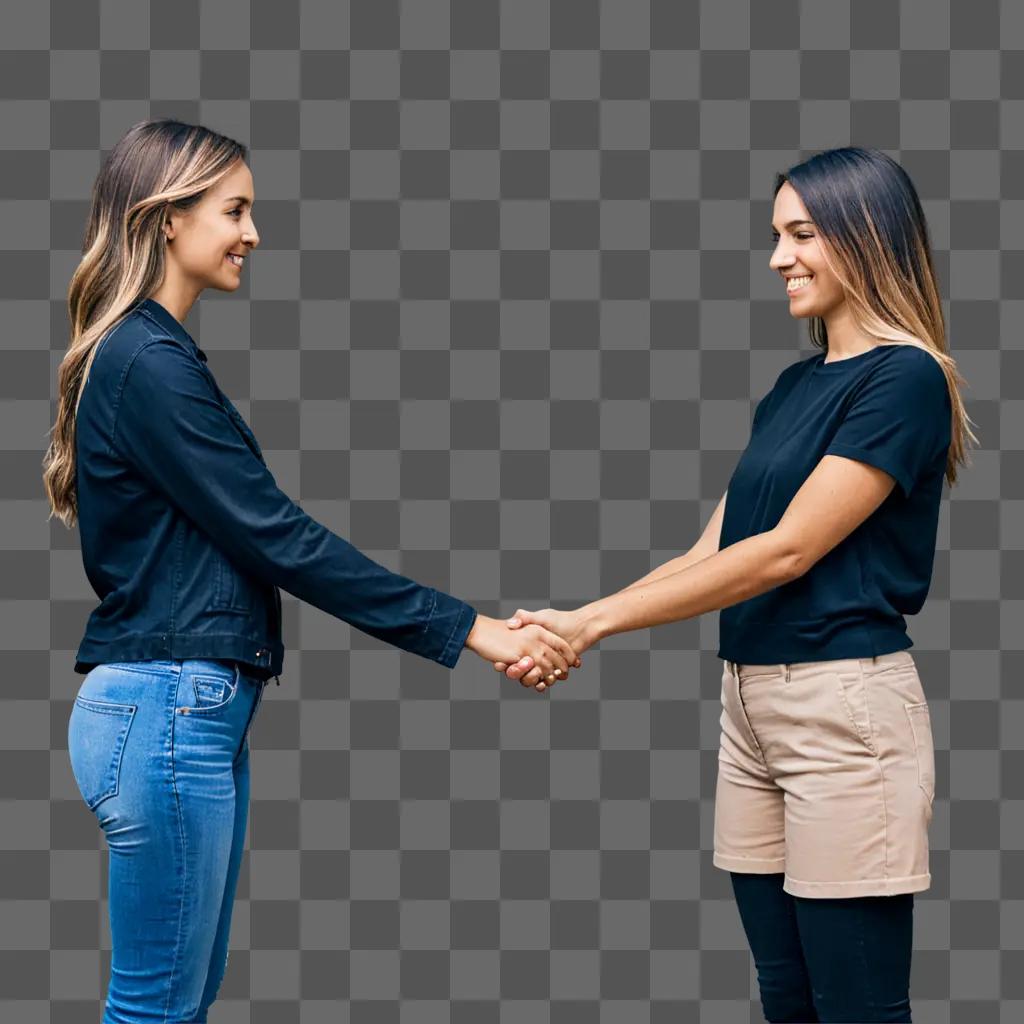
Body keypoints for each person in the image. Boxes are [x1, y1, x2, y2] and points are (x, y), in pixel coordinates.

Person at [41, 118, 579, 1023]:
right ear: (169, 218)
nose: (253, 232)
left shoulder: (145, 356)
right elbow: (280, 539)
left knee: (178, 1002)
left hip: (177, 714)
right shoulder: (148, 363)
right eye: (235, 210)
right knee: (156, 1011)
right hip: (167, 713)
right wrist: (473, 629)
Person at [495, 147, 978, 1022]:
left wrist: (593, 630)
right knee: (787, 997)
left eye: (801, 234)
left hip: (844, 715)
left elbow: (785, 553)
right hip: (750, 708)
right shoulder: (795, 387)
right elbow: (714, 549)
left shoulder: (905, 379)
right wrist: (574, 618)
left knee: (858, 1005)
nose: (778, 258)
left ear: (866, 236)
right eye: (775, 235)